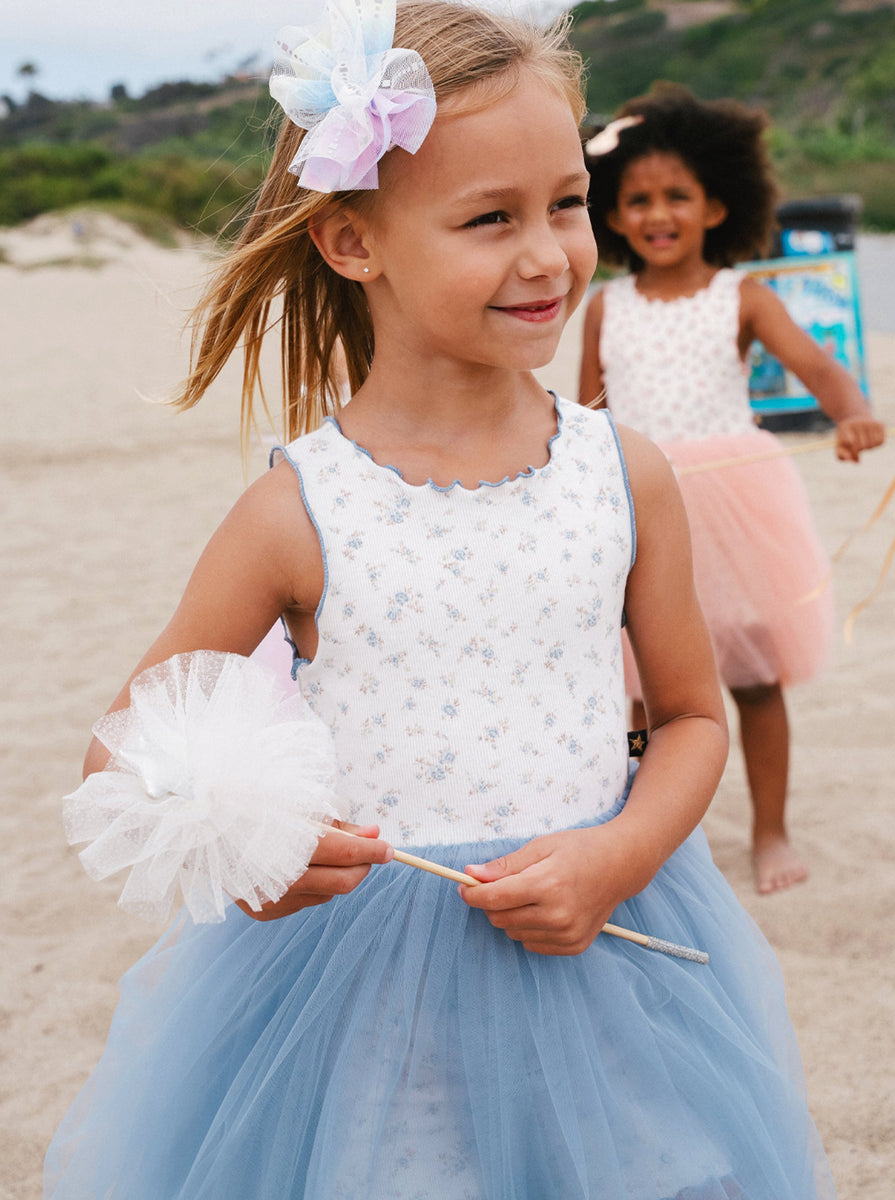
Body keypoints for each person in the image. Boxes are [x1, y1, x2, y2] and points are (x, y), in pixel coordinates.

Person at [46, 7, 838, 1196]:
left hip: (601, 966)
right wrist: (254, 856)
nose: (550, 255)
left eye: (568, 203)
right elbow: (126, 747)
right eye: (489, 218)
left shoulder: (627, 475)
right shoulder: (298, 510)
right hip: (370, 1011)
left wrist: (619, 854)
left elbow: (687, 718)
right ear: (352, 243)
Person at [579, 84, 885, 896]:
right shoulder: (606, 309)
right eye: (637, 199)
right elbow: (585, 419)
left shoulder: (742, 295)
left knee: (752, 675)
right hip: (638, 507)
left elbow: (817, 365)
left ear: (716, 205)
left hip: (735, 506)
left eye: (677, 196)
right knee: (635, 687)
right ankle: (640, 833)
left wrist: (852, 412)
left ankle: (771, 830)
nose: (657, 213)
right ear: (611, 215)